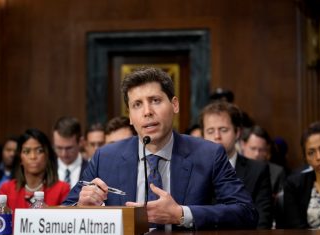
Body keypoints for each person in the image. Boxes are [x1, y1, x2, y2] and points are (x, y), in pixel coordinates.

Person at [63, 67, 258, 230]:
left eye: (155, 100)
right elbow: (64, 213)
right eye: (137, 104)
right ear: (130, 116)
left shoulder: (208, 154)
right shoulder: (106, 157)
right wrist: (81, 206)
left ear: (174, 105)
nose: (147, 112)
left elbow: (246, 212)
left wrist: (182, 214)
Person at [200, 101, 272, 229]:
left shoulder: (258, 170)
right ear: (203, 135)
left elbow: (262, 222)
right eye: (210, 131)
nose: (217, 137)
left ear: (237, 132)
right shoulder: (193, 170)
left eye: (223, 130)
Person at [0, 128, 70, 211]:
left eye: (39, 151)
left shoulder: (62, 189)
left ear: (47, 156)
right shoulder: (6, 189)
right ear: (20, 158)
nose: (33, 156)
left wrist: (49, 212)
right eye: (26, 151)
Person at [240, 125, 286, 195]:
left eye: (261, 150)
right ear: (243, 145)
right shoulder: (231, 167)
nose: (257, 154)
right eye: (253, 148)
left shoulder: (277, 172)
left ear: (267, 150)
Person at [53, 116, 89, 189]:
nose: (64, 154)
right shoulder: (46, 171)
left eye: (69, 148)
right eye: (59, 148)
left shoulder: (91, 171)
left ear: (80, 142)